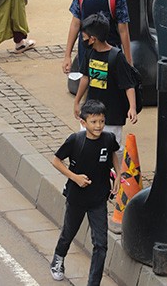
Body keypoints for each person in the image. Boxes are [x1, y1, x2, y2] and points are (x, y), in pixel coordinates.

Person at [50, 99, 120, 285]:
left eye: (102, 121)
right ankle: (58, 258)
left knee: (101, 244)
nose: (98, 126)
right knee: (69, 233)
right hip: (77, 198)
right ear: (83, 122)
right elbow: (56, 160)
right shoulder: (76, 141)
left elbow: (113, 154)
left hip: (99, 199)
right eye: (94, 122)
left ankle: (93, 283)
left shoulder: (108, 138)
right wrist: (75, 177)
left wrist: (119, 175)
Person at [73, 12, 138, 158]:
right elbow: (85, 77)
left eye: (84, 37)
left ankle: (116, 175)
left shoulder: (116, 57)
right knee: (86, 145)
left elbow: (128, 85)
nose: (83, 40)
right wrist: (77, 101)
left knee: (113, 148)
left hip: (112, 114)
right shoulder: (90, 53)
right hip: (90, 110)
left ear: (93, 38)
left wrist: (132, 107)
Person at [62, 0, 132, 76]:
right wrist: (67, 55)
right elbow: (75, 24)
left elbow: (123, 31)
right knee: (86, 81)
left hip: (108, 54)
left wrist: (128, 61)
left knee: (102, 85)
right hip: (86, 52)